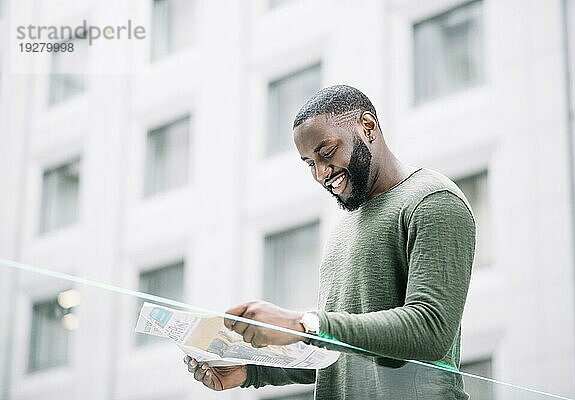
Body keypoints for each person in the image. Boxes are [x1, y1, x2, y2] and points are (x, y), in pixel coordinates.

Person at [183, 85, 476, 399]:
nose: (321, 173)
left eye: (326, 152)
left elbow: (430, 330)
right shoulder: (344, 230)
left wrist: (302, 323)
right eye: (310, 163)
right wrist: (250, 370)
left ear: (368, 126)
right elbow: (338, 351)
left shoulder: (433, 201)